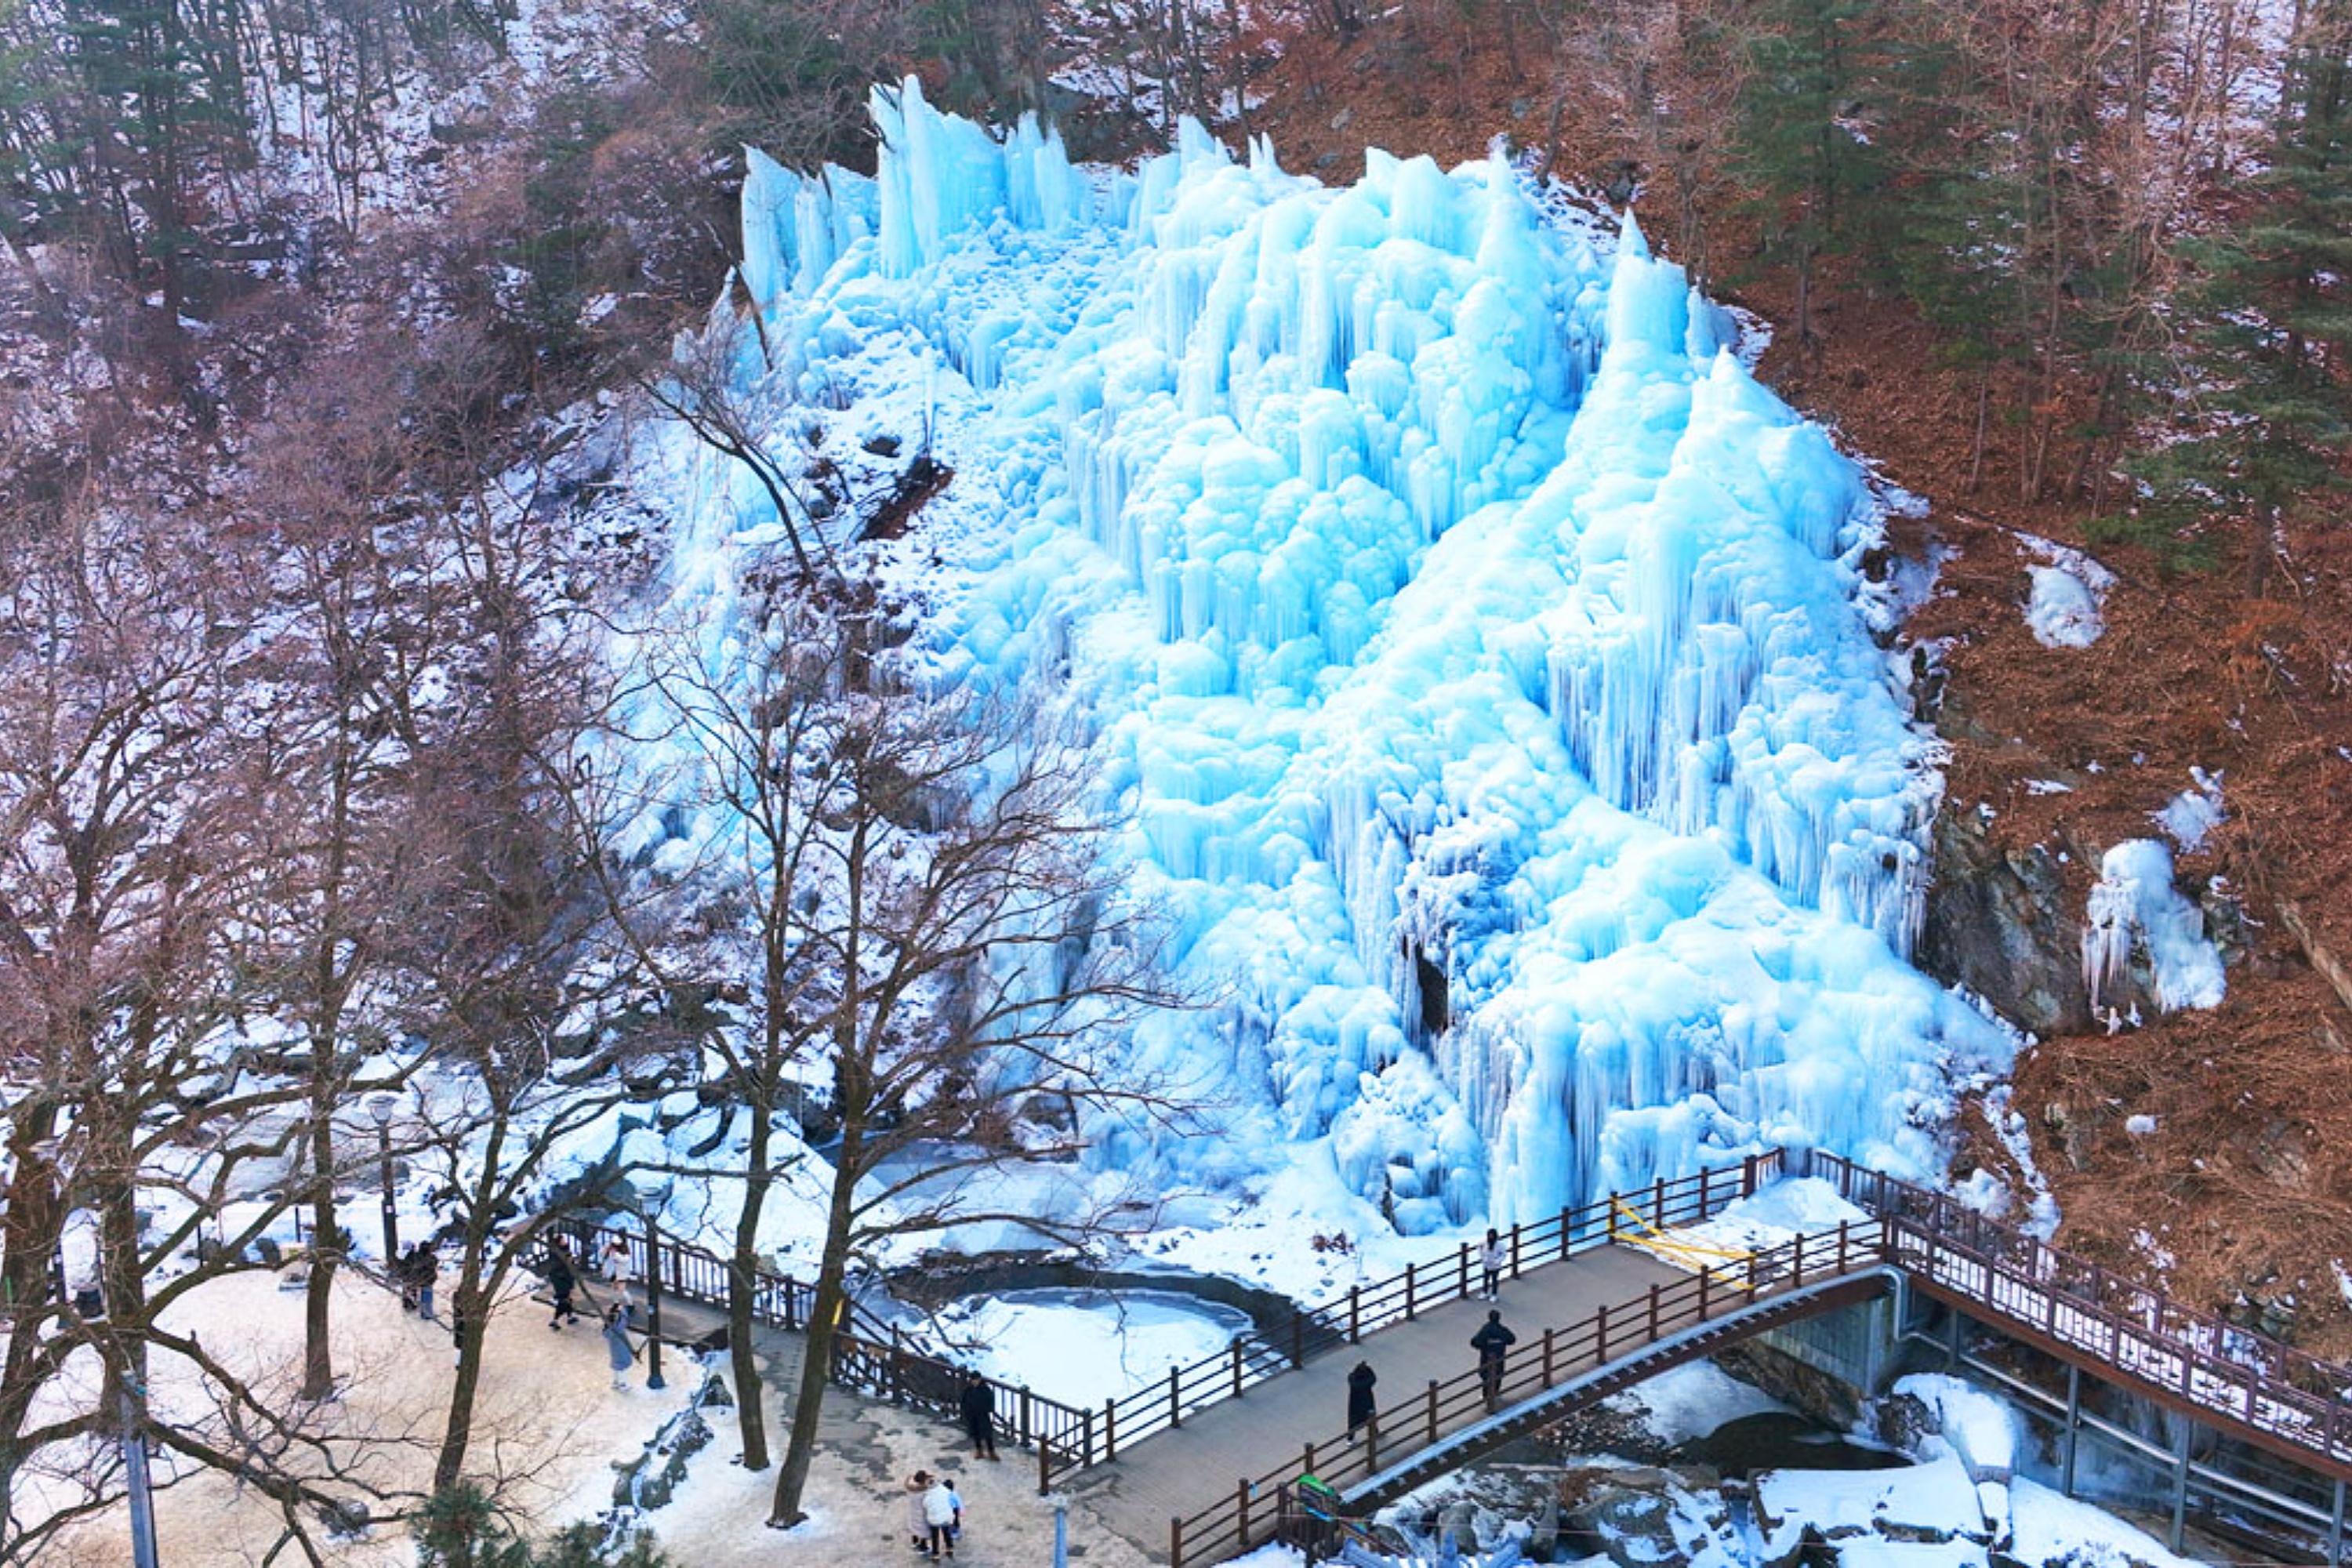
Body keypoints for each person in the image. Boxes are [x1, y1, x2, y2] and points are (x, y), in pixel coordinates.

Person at [1471, 1308, 1516, 1406]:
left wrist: (1483, 1346)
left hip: (1486, 1357)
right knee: (1498, 1374)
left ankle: (1485, 1395)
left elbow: (1475, 1342)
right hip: (1499, 1357)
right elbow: (1512, 1339)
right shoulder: (1502, 1329)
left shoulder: (1486, 1330)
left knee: (1486, 1376)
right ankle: (1496, 1392)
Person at [958, 1371, 998, 1461]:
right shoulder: (969, 1389)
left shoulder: (985, 1389)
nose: (974, 1381)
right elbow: (964, 1400)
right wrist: (965, 1410)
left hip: (983, 1414)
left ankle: (991, 1452)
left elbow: (990, 1401)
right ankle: (979, 1450)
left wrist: (987, 1409)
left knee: (987, 1434)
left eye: (976, 1379)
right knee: (976, 1433)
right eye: (973, 1380)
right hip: (972, 1414)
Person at [542, 1238, 579, 1329]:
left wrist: (572, 1261)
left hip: (566, 1278)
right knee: (564, 1300)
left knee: (567, 1298)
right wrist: (568, 1261)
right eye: (563, 1240)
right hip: (561, 1279)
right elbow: (558, 1266)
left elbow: (569, 1263)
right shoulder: (557, 1253)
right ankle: (555, 1320)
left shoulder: (565, 1250)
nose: (565, 1241)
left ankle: (569, 1317)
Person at [921, 1474, 957, 1559]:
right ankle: (949, 1548)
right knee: (946, 1532)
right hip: (946, 1517)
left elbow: (925, 1506)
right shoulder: (946, 1491)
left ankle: (936, 1554)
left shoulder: (928, 1497)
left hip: (934, 1520)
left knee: (935, 1536)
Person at [601, 1303, 635, 1391]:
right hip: (621, 1348)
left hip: (615, 1349)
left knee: (617, 1365)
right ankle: (623, 1385)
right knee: (622, 1366)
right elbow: (624, 1321)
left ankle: (616, 1382)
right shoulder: (618, 1327)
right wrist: (623, 1311)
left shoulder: (609, 1328)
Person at [601, 1236, 634, 1312]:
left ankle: (630, 1305)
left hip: (621, 1273)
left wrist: (615, 1255)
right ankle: (616, 1303)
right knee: (615, 1289)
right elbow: (603, 1255)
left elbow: (624, 1260)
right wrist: (606, 1250)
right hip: (613, 1272)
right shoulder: (610, 1250)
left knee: (622, 1290)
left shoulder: (623, 1252)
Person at [1347, 1359, 1377, 1436]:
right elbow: (1372, 1379)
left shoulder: (1352, 1377)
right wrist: (1368, 1371)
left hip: (1358, 1401)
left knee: (1357, 1419)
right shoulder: (1354, 1379)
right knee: (1364, 1417)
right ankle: (1351, 1434)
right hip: (1363, 1400)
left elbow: (1373, 1379)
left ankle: (1374, 1430)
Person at [903, 1470, 932, 1552]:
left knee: (914, 1527)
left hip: (913, 1511)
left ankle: (914, 1542)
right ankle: (923, 1548)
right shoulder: (924, 1492)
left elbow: (908, 1481)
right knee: (923, 1530)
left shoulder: (910, 1488)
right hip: (922, 1513)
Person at [409, 1243, 438, 1323]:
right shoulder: (428, 1258)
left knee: (424, 1297)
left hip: (421, 1280)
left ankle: (424, 1312)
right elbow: (434, 1262)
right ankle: (427, 1314)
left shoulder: (417, 1257)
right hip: (426, 1280)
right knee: (427, 1298)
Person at [1479, 1227, 1508, 1302]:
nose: (1490, 1237)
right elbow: (1479, 1247)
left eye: (1492, 1235)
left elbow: (1504, 1254)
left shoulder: (1500, 1245)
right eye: (1489, 1235)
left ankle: (1494, 1295)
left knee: (1494, 1280)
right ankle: (1484, 1292)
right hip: (1487, 1264)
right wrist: (1483, 1257)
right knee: (1486, 1279)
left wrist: (1498, 1261)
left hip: (1495, 1266)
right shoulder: (1484, 1242)